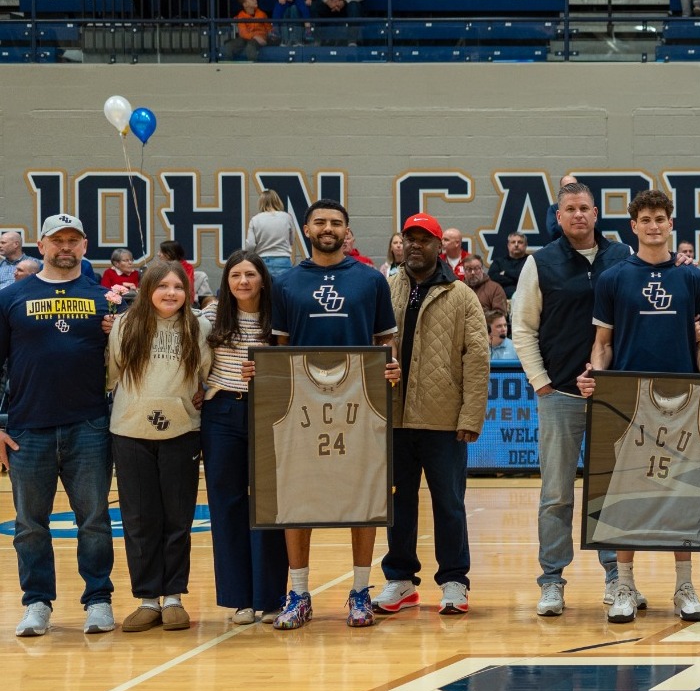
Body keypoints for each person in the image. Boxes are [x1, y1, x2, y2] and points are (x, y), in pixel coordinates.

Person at [578, 189, 700, 623]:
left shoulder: (693, 278)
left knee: (682, 493)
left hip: (683, 399)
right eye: (646, 220)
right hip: (629, 400)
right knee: (626, 494)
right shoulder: (613, 278)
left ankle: (684, 587)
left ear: (671, 224)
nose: (654, 226)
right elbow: (603, 343)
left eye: (660, 219)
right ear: (633, 226)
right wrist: (596, 379)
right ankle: (623, 585)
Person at [264, 201, 401, 630]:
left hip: (359, 404)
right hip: (303, 404)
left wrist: (392, 368)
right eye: (320, 222)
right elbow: (280, 349)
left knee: (363, 496)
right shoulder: (285, 283)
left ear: (347, 230)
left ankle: (360, 591)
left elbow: (385, 341)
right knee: (298, 497)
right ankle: (299, 593)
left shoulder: (370, 280)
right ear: (306, 229)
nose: (328, 228)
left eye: (336, 223)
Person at [511, 181, 629, 617]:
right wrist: (541, 382)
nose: (579, 215)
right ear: (558, 217)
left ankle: (617, 577)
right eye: (570, 209)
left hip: (612, 397)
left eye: (585, 208)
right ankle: (552, 580)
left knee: (611, 492)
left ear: (596, 213)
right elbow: (523, 327)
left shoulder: (623, 257)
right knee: (557, 494)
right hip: (559, 394)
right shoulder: (539, 262)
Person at [2, 216, 118, 637]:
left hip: (90, 426)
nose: (65, 247)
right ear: (41, 245)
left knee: (94, 520)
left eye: (73, 240)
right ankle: (36, 603)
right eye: (57, 241)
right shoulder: (11, 297)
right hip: (27, 429)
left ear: (84, 246)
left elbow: (124, 361)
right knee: (30, 525)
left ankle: (99, 599)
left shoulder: (105, 299)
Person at [369, 214, 489, 619]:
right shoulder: (386, 287)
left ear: (441, 247)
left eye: (424, 239)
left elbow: (477, 360)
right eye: (410, 239)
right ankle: (400, 579)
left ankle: (454, 580)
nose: (415, 245)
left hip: (443, 420)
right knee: (397, 503)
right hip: (394, 417)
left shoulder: (462, 295)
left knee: (449, 503)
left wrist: (471, 416)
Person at [107, 261, 212, 632]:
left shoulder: (198, 326)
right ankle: (148, 599)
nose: (171, 293)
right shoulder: (125, 325)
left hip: (182, 432)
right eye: (163, 286)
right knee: (139, 519)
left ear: (187, 291)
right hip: (130, 431)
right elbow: (112, 373)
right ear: (147, 289)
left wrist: (202, 394)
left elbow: (209, 374)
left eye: (178, 287)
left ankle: (174, 598)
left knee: (177, 519)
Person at [201, 252, 288, 625]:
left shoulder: (278, 318)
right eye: (235, 275)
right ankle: (240, 599)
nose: (243, 282)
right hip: (221, 412)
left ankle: (270, 598)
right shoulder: (211, 316)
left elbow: (292, 364)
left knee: (268, 505)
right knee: (227, 504)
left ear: (263, 279)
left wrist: (269, 367)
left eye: (250, 274)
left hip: (267, 411)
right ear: (227, 281)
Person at [241, 189, 302, 275]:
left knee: (265, 284)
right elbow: (291, 240)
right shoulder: (287, 217)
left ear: (261, 202)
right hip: (283, 259)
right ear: (277, 201)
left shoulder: (255, 220)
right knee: (284, 283)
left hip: (262, 260)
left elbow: (250, 245)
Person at [461, 252, 508, 318]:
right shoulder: (459, 290)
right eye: (469, 269)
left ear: (482, 269)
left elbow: (500, 315)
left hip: (487, 324)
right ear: (464, 271)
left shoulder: (495, 288)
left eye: (476, 268)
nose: (473, 272)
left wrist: (477, 315)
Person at [489, 230, 530, 300]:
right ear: (508, 245)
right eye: (513, 242)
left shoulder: (531, 261)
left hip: (526, 299)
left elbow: (530, 279)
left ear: (525, 245)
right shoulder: (498, 262)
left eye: (520, 242)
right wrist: (518, 278)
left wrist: (506, 272)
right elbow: (492, 278)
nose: (516, 245)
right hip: (502, 300)